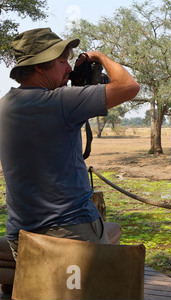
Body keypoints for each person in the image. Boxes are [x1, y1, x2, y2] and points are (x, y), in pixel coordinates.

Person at [0, 28, 140, 260]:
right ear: (38, 65)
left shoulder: (5, 105)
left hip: (21, 231)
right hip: (71, 231)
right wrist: (100, 57)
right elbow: (129, 87)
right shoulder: (61, 102)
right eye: (63, 61)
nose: (68, 68)